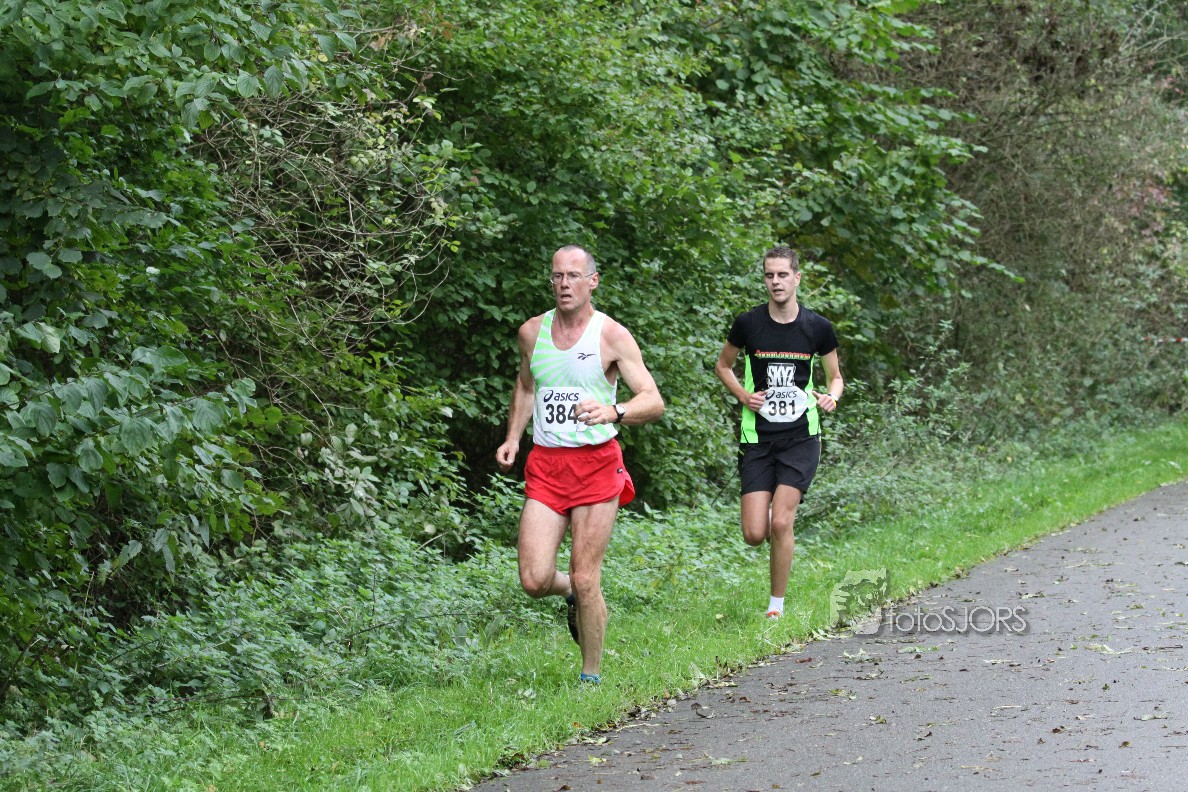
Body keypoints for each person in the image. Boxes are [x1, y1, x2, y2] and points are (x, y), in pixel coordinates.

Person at [496, 245, 665, 684]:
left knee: (587, 576)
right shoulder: (532, 332)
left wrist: (614, 411)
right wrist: (513, 437)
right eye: (557, 276)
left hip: (596, 465)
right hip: (547, 466)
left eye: (573, 275)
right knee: (534, 580)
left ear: (592, 281)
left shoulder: (611, 336)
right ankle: (568, 590)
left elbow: (653, 400)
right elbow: (527, 386)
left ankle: (590, 678)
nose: (564, 284)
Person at [714, 245, 843, 619]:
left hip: (801, 437)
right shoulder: (748, 323)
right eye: (769, 275)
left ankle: (776, 608)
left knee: (781, 521)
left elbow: (836, 377)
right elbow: (723, 366)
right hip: (758, 439)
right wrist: (744, 396)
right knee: (755, 533)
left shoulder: (818, 327)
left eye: (783, 274)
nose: (776, 281)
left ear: (797, 278)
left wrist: (831, 397)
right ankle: (774, 538)